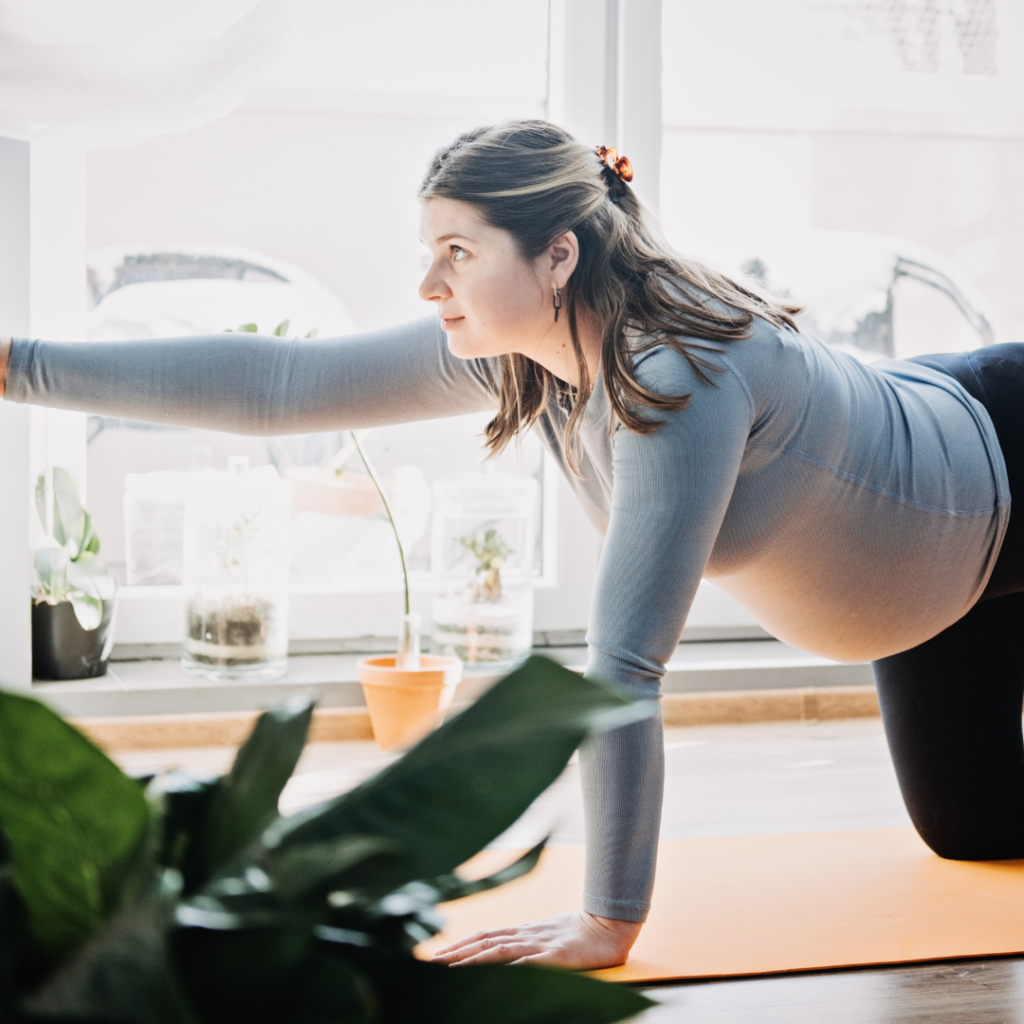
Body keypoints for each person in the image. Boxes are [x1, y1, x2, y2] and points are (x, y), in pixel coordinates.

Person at [3, 119, 1024, 972]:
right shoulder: (526, 356)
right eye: (428, 251)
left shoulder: (673, 376)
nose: (428, 284)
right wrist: (19, 367)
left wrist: (607, 921)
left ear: (558, 257)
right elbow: (282, 387)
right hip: (941, 572)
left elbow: (623, 667)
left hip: (1000, 459)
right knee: (972, 831)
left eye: (457, 252)